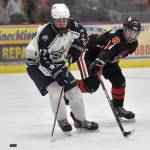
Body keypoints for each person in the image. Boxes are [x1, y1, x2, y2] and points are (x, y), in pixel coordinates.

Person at [26, 3, 98, 133]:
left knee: (74, 92)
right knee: (55, 92)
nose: (61, 24)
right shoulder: (46, 34)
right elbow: (43, 60)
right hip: (36, 65)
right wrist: (57, 73)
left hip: (57, 61)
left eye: (64, 20)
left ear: (68, 19)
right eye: (58, 21)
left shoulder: (73, 25)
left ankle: (81, 120)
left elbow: (84, 37)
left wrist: (76, 50)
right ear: (53, 20)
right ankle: (62, 120)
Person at [66, 16, 141, 120]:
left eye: (134, 33)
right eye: (130, 32)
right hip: (90, 55)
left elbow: (113, 55)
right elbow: (107, 52)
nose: (132, 36)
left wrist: (102, 63)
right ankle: (68, 89)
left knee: (119, 81)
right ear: (124, 29)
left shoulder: (133, 44)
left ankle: (118, 108)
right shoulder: (117, 39)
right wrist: (98, 63)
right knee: (91, 85)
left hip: (106, 60)